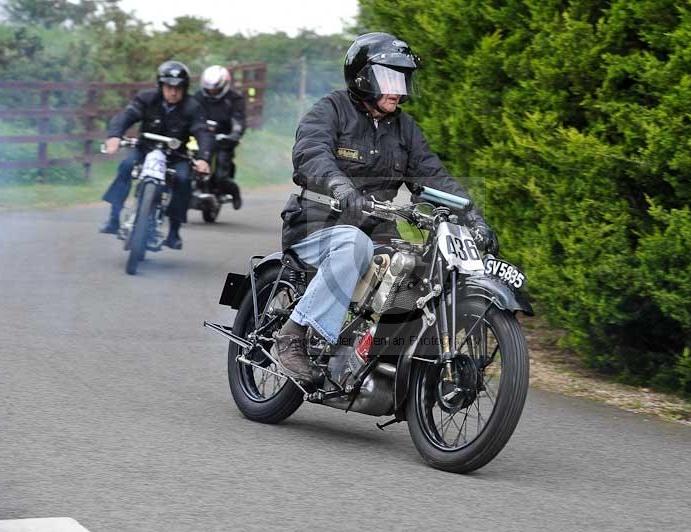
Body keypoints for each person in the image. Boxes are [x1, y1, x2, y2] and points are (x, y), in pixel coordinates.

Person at [274, 32, 499, 381]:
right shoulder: (330, 110)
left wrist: (474, 218)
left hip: (377, 227)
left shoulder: (404, 129)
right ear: (364, 78)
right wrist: (341, 185)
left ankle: (382, 358)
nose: (399, 88)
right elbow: (310, 152)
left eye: (402, 79)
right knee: (354, 245)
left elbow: (433, 176)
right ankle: (294, 333)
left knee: (418, 266)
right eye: (389, 78)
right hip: (317, 222)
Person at [100, 60, 213, 250]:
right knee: (126, 166)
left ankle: (174, 232)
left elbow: (202, 132)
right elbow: (126, 116)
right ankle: (113, 217)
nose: (173, 92)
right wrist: (114, 137)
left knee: (184, 180)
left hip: (176, 155)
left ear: (185, 88)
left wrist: (203, 158)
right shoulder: (146, 99)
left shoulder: (193, 107)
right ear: (161, 85)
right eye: (169, 87)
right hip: (146, 149)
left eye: (178, 88)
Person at [194, 65, 246, 210]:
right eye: (208, 88)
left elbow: (238, 120)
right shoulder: (198, 97)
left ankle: (233, 189)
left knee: (221, 173)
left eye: (215, 88)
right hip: (200, 137)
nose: (211, 91)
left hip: (223, 140)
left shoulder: (234, 99)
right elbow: (189, 114)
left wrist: (235, 134)